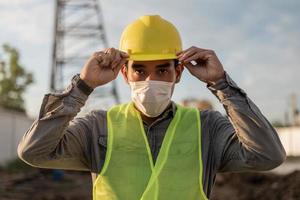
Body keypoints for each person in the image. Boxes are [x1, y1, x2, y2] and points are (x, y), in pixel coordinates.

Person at [18, 15, 286, 199]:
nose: (151, 80)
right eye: (140, 70)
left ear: (177, 73)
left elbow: (268, 156)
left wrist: (221, 84)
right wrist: (83, 87)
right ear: (125, 74)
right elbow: (34, 152)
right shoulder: (97, 126)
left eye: (161, 69)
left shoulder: (207, 128)